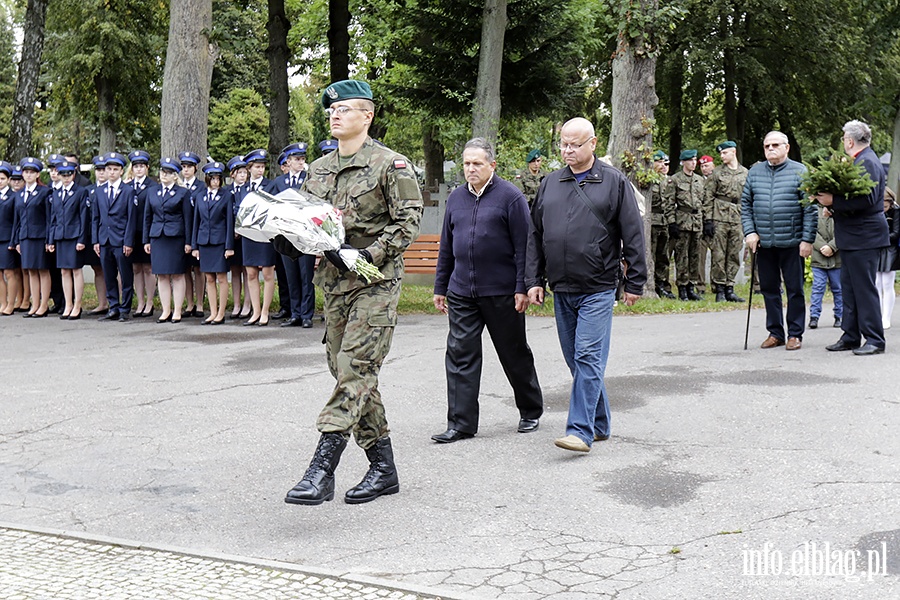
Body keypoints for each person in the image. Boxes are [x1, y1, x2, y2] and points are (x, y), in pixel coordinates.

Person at [284, 79, 423, 505]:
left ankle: (321, 469)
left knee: (356, 370)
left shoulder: (390, 165)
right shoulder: (319, 169)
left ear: (368, 115)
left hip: (374, 284)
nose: (335, 114)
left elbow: (407, 223)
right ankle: (384, 468)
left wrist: (365, 256)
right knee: (350, 373)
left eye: (345, 108)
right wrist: (286, 236)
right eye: (331, 110)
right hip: (334, 286)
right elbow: (311, 224)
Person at [525, 117, 646, 453]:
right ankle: (601, 422)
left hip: (598, 286)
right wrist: (533, 279)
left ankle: (580, 430)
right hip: (562, 286)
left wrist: (635, 281)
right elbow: (535, 236)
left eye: (575, 144)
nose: (568, 149)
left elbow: (633, 234)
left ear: (592, 143)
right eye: (564, 143)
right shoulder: (550, 183)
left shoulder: (613, 182)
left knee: (588, 356)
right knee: (576, 360)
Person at [431, 138, 543, 443]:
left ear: (492, 165)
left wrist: (522, 287)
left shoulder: (510, 197)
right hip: (462, 291)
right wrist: (441, 286)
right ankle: (461, 423)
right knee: (460, 355)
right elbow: (447, 248)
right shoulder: (456, 198)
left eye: (477, 163)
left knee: (513, 353)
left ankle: (530, 410)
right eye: (467, 163)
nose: (470, 169)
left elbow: (525, 247)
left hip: (502, 292)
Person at [816, 120, 890, 355]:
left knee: (863, 288)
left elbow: (866, 200)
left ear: (849, 141)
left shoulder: (866, 161)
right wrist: (835, 208)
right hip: (854, 236)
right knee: (849, 288)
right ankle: (850, 336)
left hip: (864, 236)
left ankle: (875, 340)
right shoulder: (862, 159)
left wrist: (833, 202)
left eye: (843, 139)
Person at [741, 131, 816, 350]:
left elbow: (810, 209)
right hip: (763, 242)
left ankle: (795, 333)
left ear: (787, 147)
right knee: (769, 289)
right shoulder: (755, 172)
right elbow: (745, 205)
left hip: (792, 241)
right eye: (767, 146)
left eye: (775, 145)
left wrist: (807, 239)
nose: (770, 149)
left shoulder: (800, 171)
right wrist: (749, 232)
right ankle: (775, 332)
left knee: (795, 289)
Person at [271, 142, 316, 328]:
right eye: (296, 159)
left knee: (306, 276)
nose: (300, 162)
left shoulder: (309, 179)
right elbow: (270, 205)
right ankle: (295, 313)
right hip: (286, 235)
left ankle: (306, 315)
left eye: (302, 159)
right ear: (288, 162)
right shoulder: (279, 182)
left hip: (305, 234)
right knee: (291, 276)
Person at [144, 158, 193, 324]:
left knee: (178, 275)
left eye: (169, 173)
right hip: (158, 237)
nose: (164, 175)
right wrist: (146, 240)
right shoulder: (152, 192)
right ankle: (166, 310)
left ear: (175, 176)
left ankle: (178, 310)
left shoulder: (183, 193)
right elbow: (147, 217)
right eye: (162, 172)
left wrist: (188, 242)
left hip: (176, 238)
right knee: (162, 275)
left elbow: (188, 219)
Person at [92, 152, 138, 321]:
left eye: (115, 169)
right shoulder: (99, 191)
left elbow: (131, 219)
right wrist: (95, 240)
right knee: (108, 275)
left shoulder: (128, 191)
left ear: (121, 171)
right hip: (104, 239)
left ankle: (125, 308)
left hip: (120, 240)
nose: (111, 172)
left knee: (125, 275)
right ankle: (113, 307)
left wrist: (128, 241)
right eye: (109, 169)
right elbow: (95, 218)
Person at [703, 141, 748, 303]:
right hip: (719, 216)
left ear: (733, 152)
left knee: (735, 254)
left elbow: (748, 198)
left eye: (725, 153)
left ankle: (730, 287)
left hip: (738, 217)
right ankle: (720, 289)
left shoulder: (745, 173)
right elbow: (708, 197)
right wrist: (708, 219)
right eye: (720, 154)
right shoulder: (717, 173)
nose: (722, 156)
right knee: (718, 254)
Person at [192, 161, 234, 324]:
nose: (216, 181)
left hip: (220, 241)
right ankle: (213, 312)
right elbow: (197, 221)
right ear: (207, 179)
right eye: (213, 178)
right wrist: (195, 245)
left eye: (218, 178)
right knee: (209, 277)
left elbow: (229, 221)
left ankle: (221, 313)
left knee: (222, 277)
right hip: (204, 241)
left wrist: (229, 246)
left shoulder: (226, 196)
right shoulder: (200, 196)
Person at [10, 157, 53, 318]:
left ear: (37, 174)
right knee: (31, 271)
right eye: (26, 172)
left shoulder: (45, 192)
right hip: (25, 237)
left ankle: (44, 305)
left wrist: (49, 239)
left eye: (32, 172)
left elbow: (49, 218)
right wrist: (16, 240)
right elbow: (17, 219)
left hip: (40, 236)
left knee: (42, 270)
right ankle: (34, 304)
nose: (28, 175)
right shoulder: (20, 194)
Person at [47, 160, 89, 319]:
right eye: (62, 174)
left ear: (73, 174)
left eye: (68, 174)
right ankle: (68, 304)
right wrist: (51, 240)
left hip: (74, 235)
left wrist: (81, 239)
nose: (65, 177)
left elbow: (83, 218)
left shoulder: (80, 192)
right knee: (64, 271)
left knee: (76, 270)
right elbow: (53, 218)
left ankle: (77, 305)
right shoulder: (56, 193)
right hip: (60, 236)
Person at [241, 148, 277, 326]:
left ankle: (265, 312)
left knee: (268, 274)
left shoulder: (270, 185)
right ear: (249, 168)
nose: (260, 170)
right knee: (251, 273)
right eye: (256, 166)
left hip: (264, 235)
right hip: (249, 236)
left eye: (262, 166)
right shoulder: (243, 188)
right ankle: (255, 311)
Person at [664, 150, 704, 301]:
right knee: (682, 256)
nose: (693, 163)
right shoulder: (675, 180)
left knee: (695, 255)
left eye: (695, 160)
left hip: (697, 220)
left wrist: (706, 221)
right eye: (690, 160)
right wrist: (672, 222)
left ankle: (691, 286)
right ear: (683, 162)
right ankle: (682, 286)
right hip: (682, 220)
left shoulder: (699, 180)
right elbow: (668, 203)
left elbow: (704, 201)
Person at [128, 150, 157, 317]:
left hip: (147, 231)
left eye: (142, 166)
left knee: (148, 267)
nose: (139, 170)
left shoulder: (153, 187)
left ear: (147, 168)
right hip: (132, 233)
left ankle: (150, 301)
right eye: (136, 167)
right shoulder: (127, 186)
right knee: (136, 267)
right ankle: (140, 301)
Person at [178, 151, 205, 318]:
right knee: (185, 269)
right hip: (182, 233)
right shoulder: (178, 186)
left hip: (197, 230)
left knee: (199, 269)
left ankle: (200, 303)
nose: (186, 170)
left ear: (195, 168)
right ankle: (189, 303)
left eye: (189, 167)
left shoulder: (201, 186)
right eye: (183, 167)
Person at [226, 155, 252, 319]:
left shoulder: (250, 189)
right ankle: (236, 304)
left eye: (245, 172)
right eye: (239, 172)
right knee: (235, 271)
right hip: (232, 236)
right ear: (233, 174)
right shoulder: (227, 191)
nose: (243, 175)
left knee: (248, 271)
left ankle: (248, 304)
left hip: (247, 235)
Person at [809, 205, 842, 330]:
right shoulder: (813, 210)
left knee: (838, 288)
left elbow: (843, 230)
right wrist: (823, 247)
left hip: (837, 259)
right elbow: (811, 231)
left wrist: (832, 247)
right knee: (818, 288)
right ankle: (814, 316)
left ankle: (840, 315)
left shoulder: (839, 209)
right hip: (819, 258)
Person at [85, 156, 109, 314]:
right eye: (98, 170)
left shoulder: (116, 188)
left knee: (114, 269)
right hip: (94, 235)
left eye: (103, 169)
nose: (101, 173)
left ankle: (116, 301)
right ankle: (102, 303)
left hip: (111, 235)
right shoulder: (89, 190)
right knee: (97, 269)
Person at [649, 150, 675, 298]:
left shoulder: (669, 181)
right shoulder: (649, 180)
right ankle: (650, 283)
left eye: (665, 163)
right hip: (652, 221)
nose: (663, 166)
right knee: (651, 255)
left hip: (665, 222)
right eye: (659, 162)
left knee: (663, 256)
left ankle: (662, 284)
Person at [0, 161, 23, 315]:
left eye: (2, 178)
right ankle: (2, 303)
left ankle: (11, 303)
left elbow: (17, 220)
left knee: (9, 272)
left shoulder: (14, 197)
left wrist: (14, 241)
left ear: (8, 179)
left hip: (7, 238)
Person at [876, 188, 899, 329]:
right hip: (876, 248)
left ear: (890, 203)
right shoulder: (873, 210)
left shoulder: (896, 211)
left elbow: (896, 233)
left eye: (885, 207)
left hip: (890, 248)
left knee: (887, 283)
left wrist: (879, 239)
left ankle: (886, 317)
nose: (883, 209)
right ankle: (877, 315)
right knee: (876, 282)